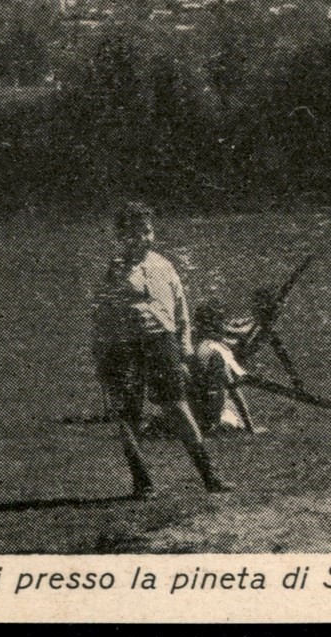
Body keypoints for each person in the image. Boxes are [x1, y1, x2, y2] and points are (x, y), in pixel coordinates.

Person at [90, 202, 234, 496]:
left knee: (178, 406)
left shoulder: (164, 265)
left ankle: (210, 476)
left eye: (147, 231)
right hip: (124, 347)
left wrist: (185, 349)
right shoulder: (113, 271)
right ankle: (142, 482)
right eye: (134, 233)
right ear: (121, 236)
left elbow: (180, 309)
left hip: (161, 343)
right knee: (129, 415)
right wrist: (102, 356)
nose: (142, 238)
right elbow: (101, 315)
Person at [190, 302, 260, 435]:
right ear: (217, 325)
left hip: (190, 415)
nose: (225, 325)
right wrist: (250, 428)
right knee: (230, 412)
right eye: (222, 322)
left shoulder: (191, 345)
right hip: (210, 420)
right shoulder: (218, 351)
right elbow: (235, 391)